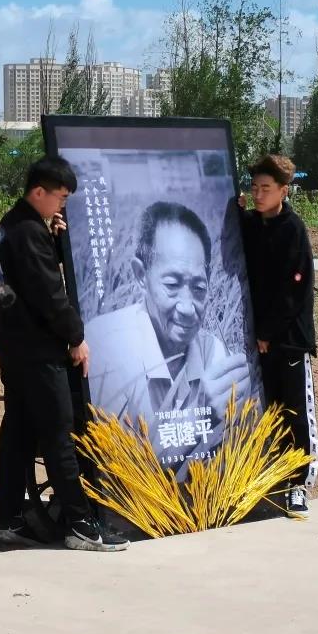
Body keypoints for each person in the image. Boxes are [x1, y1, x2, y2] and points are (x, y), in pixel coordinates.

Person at [0, 155, 129, 552]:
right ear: (39, 192)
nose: (63, 205)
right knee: (58, 434)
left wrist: (52, 241)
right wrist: (75, 337)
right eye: (61, 197)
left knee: (18, 431)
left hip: (14, 346)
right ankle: (81, 525)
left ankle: (12, 519)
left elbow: (28, 277)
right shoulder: (29, 233)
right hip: (37, 351)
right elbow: (49, 294)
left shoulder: (16, 225)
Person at [86, 202, 251, 480]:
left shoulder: (214, 353)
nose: (187, 307)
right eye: (172, 285)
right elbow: (118, 473)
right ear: (141, 275)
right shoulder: (106, 348)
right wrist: (201, 414)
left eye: (199, 287)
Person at [239, 154, 318, 516]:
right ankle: (274, 478)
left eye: (266, 189)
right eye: (254, 187)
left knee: (295, 411)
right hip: (259, 339)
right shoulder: (251, 225)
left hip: (288, 340)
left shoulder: (293, 230)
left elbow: (293, 290)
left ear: (284, 191)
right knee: (267, 410)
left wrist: (268, 332)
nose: (258, 195)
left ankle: (299, 483)